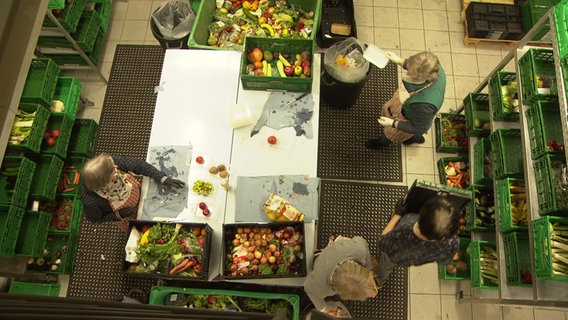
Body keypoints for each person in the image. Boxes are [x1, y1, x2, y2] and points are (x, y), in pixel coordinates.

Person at [366, 51, 446, 149]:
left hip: (407, 119)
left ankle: (380, 143)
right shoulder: (433, 67)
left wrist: (392, 123)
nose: (407, 72)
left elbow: (419, 128)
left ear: (423, 78)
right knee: (416, 124)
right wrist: (399, 60)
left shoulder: (424, 104)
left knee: (391, 135)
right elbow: (418, 66)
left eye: (411, 74)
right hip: (408, 108)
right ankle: (414, 137)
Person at [81, 154, 185, 229]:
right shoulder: (91, 202)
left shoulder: (109, 163)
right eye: (112, 170)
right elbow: (95, 219)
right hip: (128, 214)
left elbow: (137, 165)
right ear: (104, 182)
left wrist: (162, 178)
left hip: (139, 194)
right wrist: (118, 215)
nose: (116, 167)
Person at [374, 196, 460, 286]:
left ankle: (380, 280)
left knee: (386, 264)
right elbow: (444, 260)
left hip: (394, 254)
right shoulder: (452, 243)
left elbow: (382, 241)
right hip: (412, 260)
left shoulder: (404, 228)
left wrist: (397, 215)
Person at [304, 236, 379, 318]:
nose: (374, 293)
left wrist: (368, 267)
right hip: (320, 261)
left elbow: (363, 242)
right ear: (341, 294)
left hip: (340, 250)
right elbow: (308, 289)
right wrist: (323, 308)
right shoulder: (318, 286)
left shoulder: (358, 250)